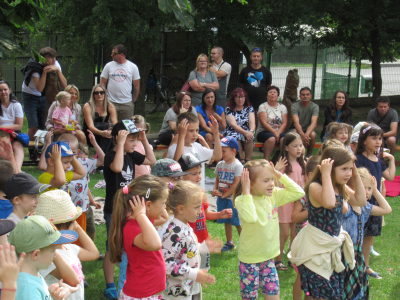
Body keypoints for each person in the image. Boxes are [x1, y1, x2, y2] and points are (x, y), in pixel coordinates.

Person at [288, 146, 367, 300]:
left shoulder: (339, 187)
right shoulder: (315, 186)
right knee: (319, 293)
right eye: (344, 169)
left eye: (350, 169)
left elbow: (361, 201)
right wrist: (325, 174)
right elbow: (330, 203)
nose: (348, 173)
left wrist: (356, 175)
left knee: (330, 294)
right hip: (316, 248)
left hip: (332, 249)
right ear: (330, 168)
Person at [234, 159, 304, 300]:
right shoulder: (242, 200)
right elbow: (252, 218)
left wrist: (278, 174)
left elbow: (299, 192)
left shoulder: (273, 196)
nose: (272, 184)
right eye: (266, 180)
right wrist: (247, 192)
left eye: (272, 179)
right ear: (251, 184)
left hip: (268, 259)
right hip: (249, 261)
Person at [102, 120, 156, 300]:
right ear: (119, 139)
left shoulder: (132, 155)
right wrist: (120, 145)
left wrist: (144, 139)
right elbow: (117, 168)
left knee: (128, 245)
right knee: (113, 247)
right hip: (114, 211)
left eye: (135, 140)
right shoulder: (111, 156)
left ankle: (125, 280)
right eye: (131, 140)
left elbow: (151, 160)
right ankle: (110, 285)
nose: (134, 144)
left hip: (130, 209)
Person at [108, 175, 167, 299]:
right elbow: (155, 244)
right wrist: (141, 214)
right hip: (140, 295)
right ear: (148, 205)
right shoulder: (132, 228)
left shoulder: (144, 222)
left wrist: (143, 213)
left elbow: (164, 218)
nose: (165, 207)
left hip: (149, 293)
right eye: (163, 203)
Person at [36, 190, 100, 300]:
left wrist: (77, 227)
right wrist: (76, 226)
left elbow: (94, 254)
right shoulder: (47, 256)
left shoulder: (69, 247)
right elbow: (70, 280)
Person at [162, 180, 218, 300]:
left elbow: (186, 249)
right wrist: (193, 273)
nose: (200, 211)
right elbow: (166, 264)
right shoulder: (175, 232)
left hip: (184, 288)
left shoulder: (184, 226)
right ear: (181, 209)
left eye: (201, 207)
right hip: (174, 294)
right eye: (197, 207)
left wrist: (203, 247)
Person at [342, 167, 392, 296]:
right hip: (344, 253)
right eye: (363, 187)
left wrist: (375, 190)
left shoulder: (365, 207)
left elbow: (387, 209)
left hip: (358, 255)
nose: (367, 192)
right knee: (345, 290)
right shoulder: (345, 206)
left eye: (369, 188)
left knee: (361, 290)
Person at [354, 124, 395, 279]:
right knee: (358, 234)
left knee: (369, 236)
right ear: (364, 140)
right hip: (361, 202)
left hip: (374, 202)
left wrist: (390, 159)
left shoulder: (378, 160)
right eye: (374, 138)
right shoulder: (358, 159)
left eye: (380, 139)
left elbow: (390, 176)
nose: (378, 142)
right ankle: (354, 264)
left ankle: (366, 266)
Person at [8, 215, 79, 300]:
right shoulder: (29, 288)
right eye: (53, 251)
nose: (55, 255)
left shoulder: (33, 276)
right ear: (36, 255)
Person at [21, 47, 67, 161]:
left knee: (42, 125)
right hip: (30, 96)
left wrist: (58, 71)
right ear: (42, 58)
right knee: (33, 125)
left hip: (44, 97)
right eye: (50, 57)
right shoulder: (34, 67)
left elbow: (64, 85)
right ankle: (32, 152)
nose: (53, 60)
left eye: (54, 57)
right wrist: (45, 72)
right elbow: (39, 88)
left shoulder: (55, 64)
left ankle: (41, 151)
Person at [274, 132, 306, 271]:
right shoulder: (284, 164)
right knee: (285, 233)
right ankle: (278, 259)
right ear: (286, 147)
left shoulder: (303, 163)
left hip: (298, 203)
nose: (299, 149)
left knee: (295, 233)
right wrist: (276, 168)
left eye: (300, 145)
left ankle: (292, 258)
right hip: (286, 202)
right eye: (295, 146)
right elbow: (273, 179)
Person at [168, 112, 222, 190]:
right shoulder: (173, 148)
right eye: (191, 131)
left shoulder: (197, 147)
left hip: (199, 193)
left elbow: (217, 156)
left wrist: (216, 134)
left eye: (197, 130)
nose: (195, 134)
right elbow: (178, 166)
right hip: (183, 193)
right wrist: (181, 136)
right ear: (180, 131)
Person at [291, 155, 319, 300]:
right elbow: (294, 217)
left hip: (317, 242)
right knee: (301, 276)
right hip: (304, 242)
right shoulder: (304, 194)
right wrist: (313, 211)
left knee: (313, 278)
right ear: (310, 175)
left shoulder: (324, 193)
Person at [211, 137, 243, 252]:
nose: (222, 153)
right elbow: (217, 180)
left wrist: (224, 195)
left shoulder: (238, 166)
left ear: (233, 151)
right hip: (222, 198)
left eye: (224, 151)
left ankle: (245, 243)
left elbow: (235, 185)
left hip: (232, 199)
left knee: (237, 221)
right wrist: (215, 190)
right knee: (226, 220)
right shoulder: (220, 164)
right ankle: (230, 242)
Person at [100, 44, 140, 121]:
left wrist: (133, 100)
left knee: (125, 128)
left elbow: (136, 86)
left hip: (127, 103)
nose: (112, 55)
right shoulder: (108, 66)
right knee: (109, 126)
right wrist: (104, 98)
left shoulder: (132, 67)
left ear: (121, 54)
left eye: (114, 53)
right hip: (111, 101)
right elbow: (102, 83)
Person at [83, 84, 118, 155]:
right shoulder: (87, 106)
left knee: (109, 134)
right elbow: (90, 126)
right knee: (107, 127)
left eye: (102, 92)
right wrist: (101, 133)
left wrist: (110, 133)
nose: (99, 94)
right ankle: (105, 157)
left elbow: (115, 125)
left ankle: (103, 157)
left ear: (105, 94)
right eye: (96, 93)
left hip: (104, 133)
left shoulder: (110, 106)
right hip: (91, 133)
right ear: (93, 95)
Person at [224, 88, 255, 164]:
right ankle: (241, 158)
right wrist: (245, 133)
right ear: (233, 99)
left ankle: (247, 159)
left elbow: (252, 122)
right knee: (236, 136)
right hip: (232, 130)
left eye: (242, 97)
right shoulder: (229, 109)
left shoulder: (249, 108)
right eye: (238, 97)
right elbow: (233, 125)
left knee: (251, 137)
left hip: (246, 131)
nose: (240, 99)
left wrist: (251, 132)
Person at [257, 86, 287, 161]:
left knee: (284, 139)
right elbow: (264, 122)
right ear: (267, 96)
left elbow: (284, 122)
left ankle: (283, 160)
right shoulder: (263, 106)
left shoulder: (282, 107)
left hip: (279, 131)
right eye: (270, 92)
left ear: (277, 96)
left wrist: (278, 132)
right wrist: (274, 132)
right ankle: (266, 161)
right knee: (271, 139)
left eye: (274, 92)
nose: (272, 94)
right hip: (264, 131)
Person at [0, 81, 24, 171]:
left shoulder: (16, 105)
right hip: (1, 134)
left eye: (5, 89)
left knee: (18, 146)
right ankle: (6, 170)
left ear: (9, 90)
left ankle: (17, 170)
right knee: (2, 147)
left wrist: (4, 128)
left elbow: (19, 126)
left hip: (14, 132)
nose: (3, 92)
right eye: (0, 90)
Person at [239, 47, 272, 111]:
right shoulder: (244, 71)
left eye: (258, 56)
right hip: (248, 102)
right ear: (251, 57)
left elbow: (268, 86)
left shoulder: (266, 71)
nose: (256, 58)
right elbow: (242, 85)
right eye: (254, 56)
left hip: (262, 103)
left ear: (261, 57)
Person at [289, 87, 319, 157]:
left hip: (309, 130)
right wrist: (302, 134)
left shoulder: (315, 106)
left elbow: (314, 123)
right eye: (303, 95)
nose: (306, 96)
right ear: (300, 96)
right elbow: (296, 122)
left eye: (307, 94)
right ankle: (294, 155)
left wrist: (306, 135)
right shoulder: (295, 106)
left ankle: (308, 155)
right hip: (296, 128)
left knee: (312, 134)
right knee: (294, 133)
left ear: (311, 96)